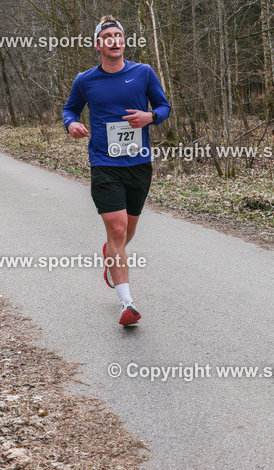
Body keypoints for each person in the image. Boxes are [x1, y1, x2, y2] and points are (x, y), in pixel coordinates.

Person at [63, 16, 171, 327]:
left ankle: (111, 251)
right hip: (104, 163)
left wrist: (149, 117)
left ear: (123, 41)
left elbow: (163, 107)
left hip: (138, 164)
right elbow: (70, 108)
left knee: (126, 234)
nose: (114, 40)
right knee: (119, 229)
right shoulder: (85, 80)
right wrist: (71, 124)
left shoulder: (143, 73)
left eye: (118, 35)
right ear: (98, 45)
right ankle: (127, 303)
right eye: (107, 36)